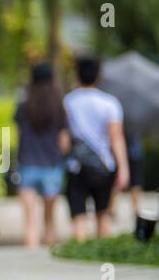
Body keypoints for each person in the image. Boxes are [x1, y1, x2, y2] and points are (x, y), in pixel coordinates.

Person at [64, 55, 130, 242]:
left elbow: (64, 139)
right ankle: (102, 261)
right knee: (104, 216)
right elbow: (116, 139)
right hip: (103, 166)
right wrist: (123, 169)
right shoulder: (110, 103)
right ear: (98, 76)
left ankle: (79, 261)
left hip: (76, 167)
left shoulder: (68, 102)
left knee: (79, 217)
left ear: (77, 74)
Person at [13, 63, 70, 248]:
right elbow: (64, 143)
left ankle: (31, 261)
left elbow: (18, 136)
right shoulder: (59, 107)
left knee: (30, 222)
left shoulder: (23, 106)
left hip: (27, 165)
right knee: (50, 221)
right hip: (52, 166)